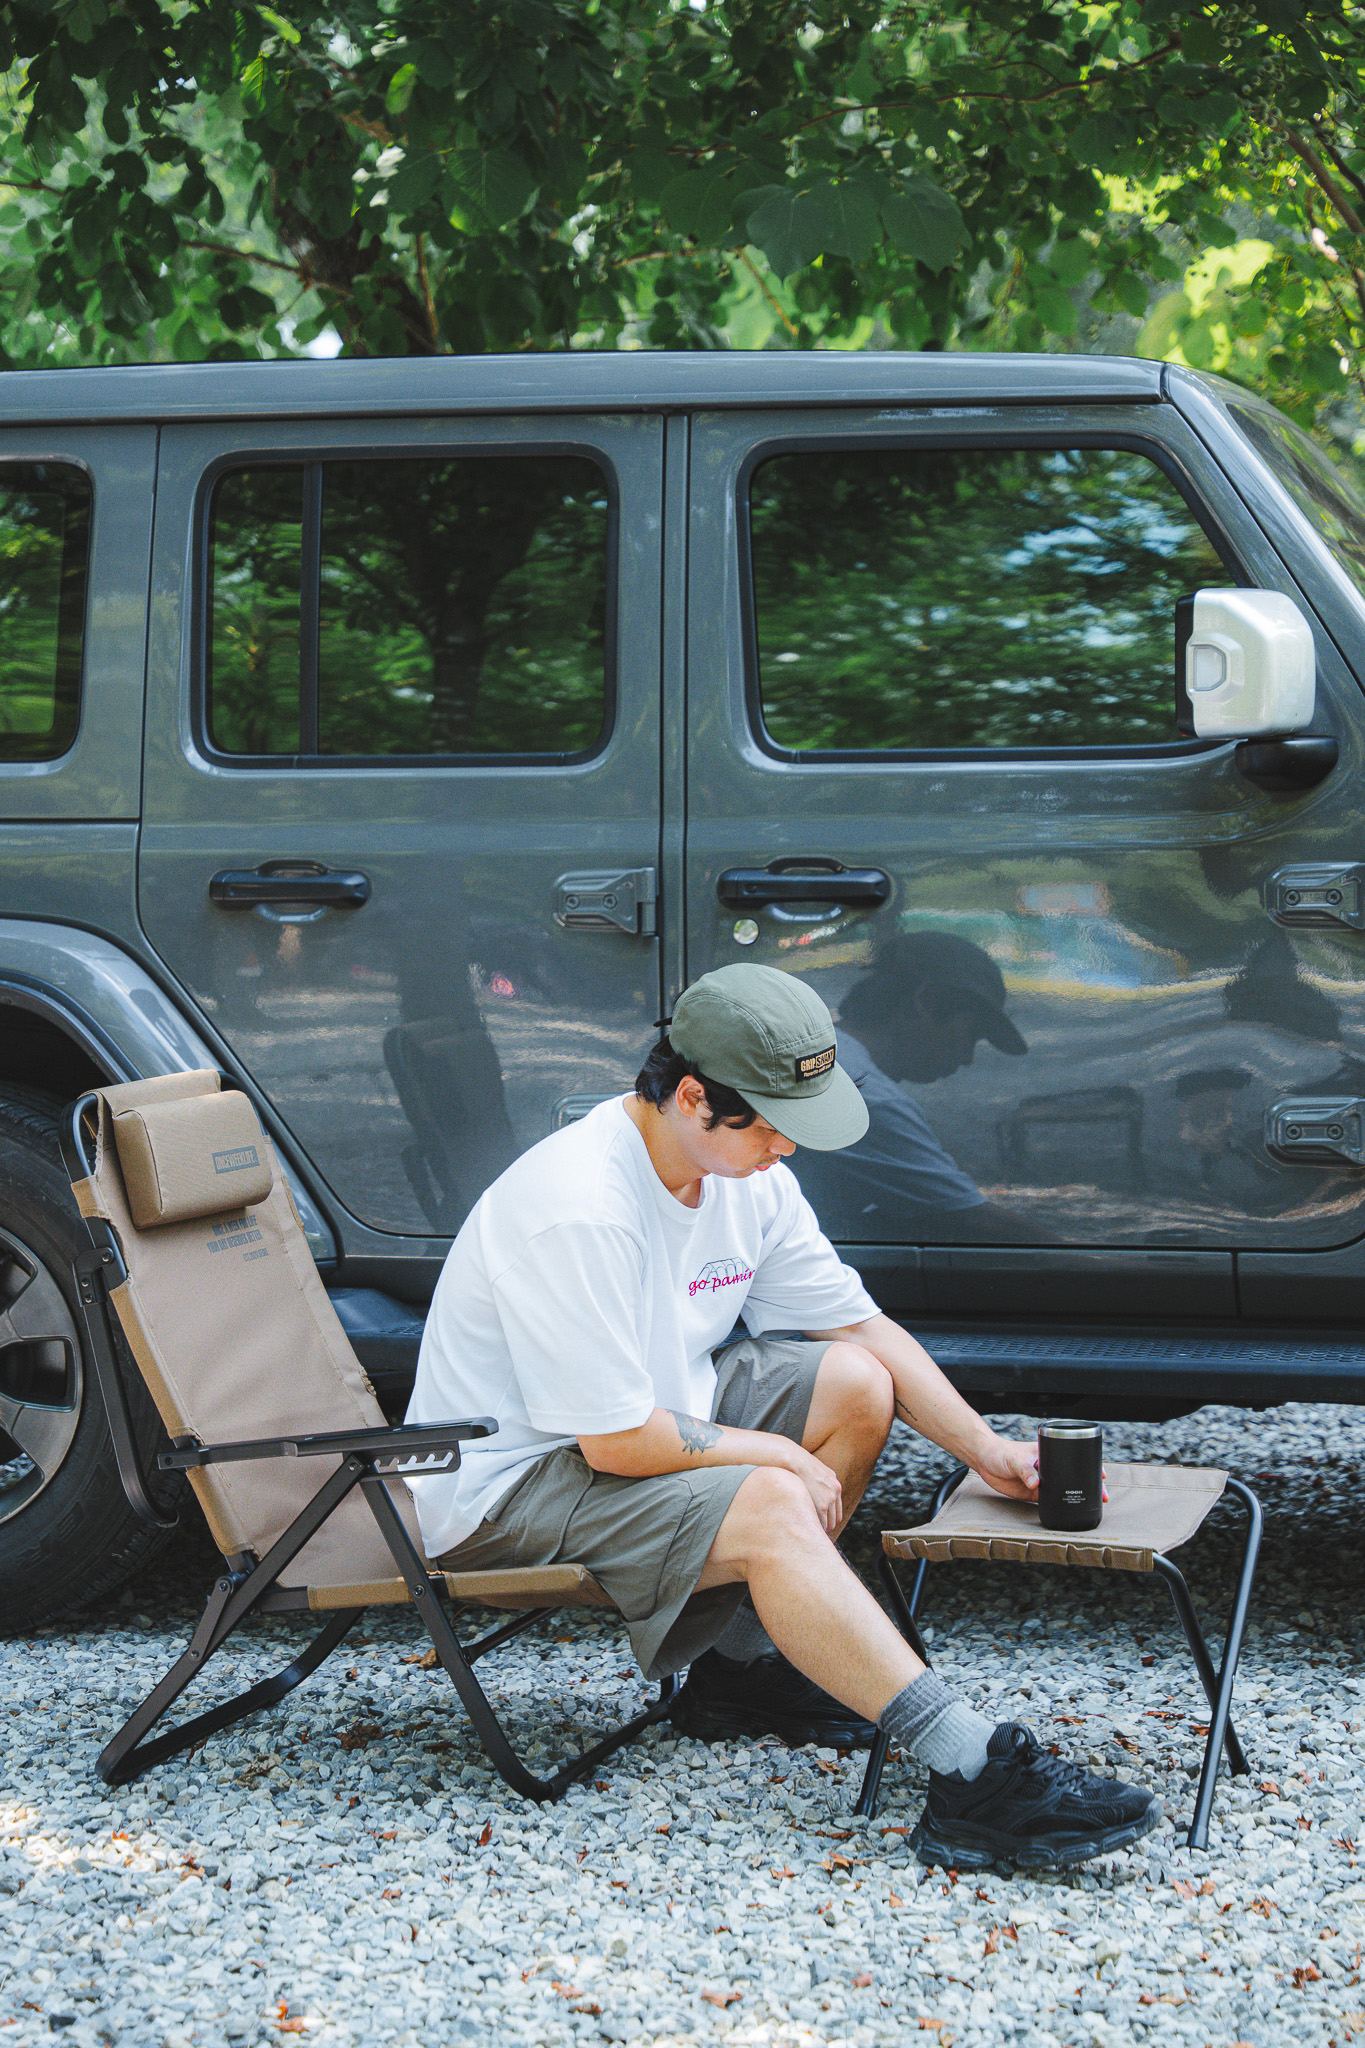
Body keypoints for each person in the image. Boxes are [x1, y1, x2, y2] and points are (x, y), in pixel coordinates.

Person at [405, 964, 1160, 1870]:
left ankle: (740, 1673)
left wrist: (987, 1451)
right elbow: (616, 1442)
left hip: (630, 1430)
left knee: (855, 1382)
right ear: (692, 1097)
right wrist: (777, 1458)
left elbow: (856, 1324)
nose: (788, 1146)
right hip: (506, 1490)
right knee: (768, 1498)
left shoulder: (740, 1172)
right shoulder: (580, 1208)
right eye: (768, 1123)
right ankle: (973, 1774)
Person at [796, 932, 1036, 1241]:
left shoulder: (822, 1053)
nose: (968, 1058)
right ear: (924, 1002)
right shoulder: (864, 1096)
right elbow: (974, 1220)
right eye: (970, 1034)